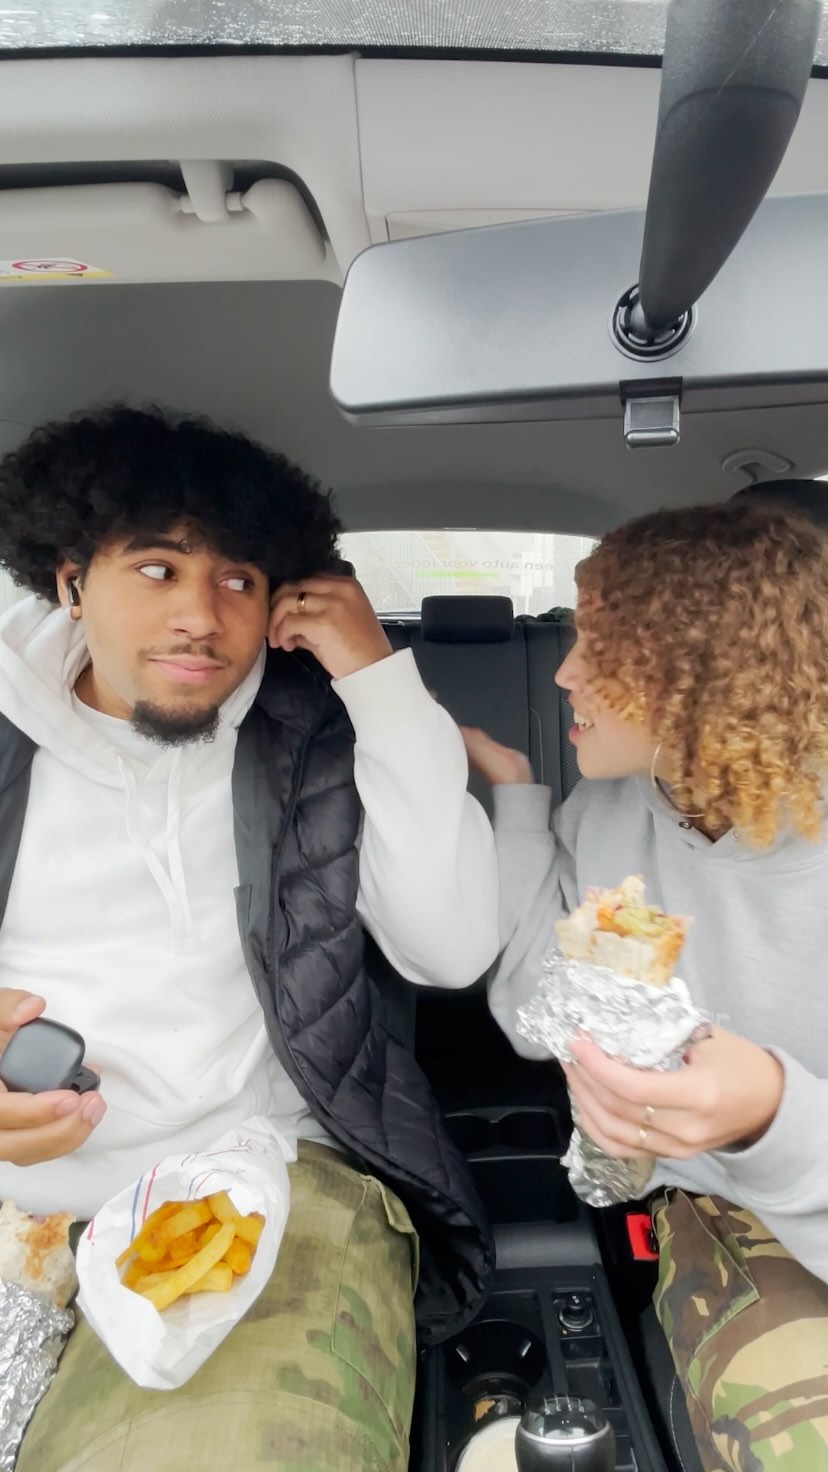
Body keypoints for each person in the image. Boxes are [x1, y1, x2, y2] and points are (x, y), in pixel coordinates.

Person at [0, 404, 500, 1472]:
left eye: (238, 579)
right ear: (71, 581)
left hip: (255, 1177)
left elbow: (452, 952)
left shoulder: (314, 731)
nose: (201, 616)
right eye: (157, 569)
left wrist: (379, 681)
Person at [462, 499, 828, 1472]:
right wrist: (519, 804)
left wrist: (775, 1111)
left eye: (605, 645)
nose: (564, 671)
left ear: (717, 670)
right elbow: (540, 1011)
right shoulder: (614, 813)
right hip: (731, 1215)